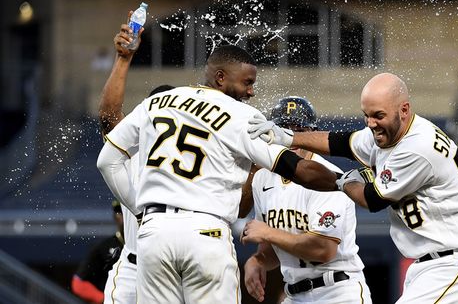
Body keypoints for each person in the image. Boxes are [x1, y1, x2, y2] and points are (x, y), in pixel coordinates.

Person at [96, 44, 338, 303]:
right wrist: (343, 181)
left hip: (154, 235)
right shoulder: (240, 115)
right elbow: (300, 169)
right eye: (247, 82)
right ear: (220, 77)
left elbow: (106, 161)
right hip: (205, 232)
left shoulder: (156, 103)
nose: (251, 91)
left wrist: (139, 210)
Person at [248, 72, 458, 303]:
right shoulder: (392, 132)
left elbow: (372, 199)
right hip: (433, 264)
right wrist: (288, 137)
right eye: (366, 115)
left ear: (404, 110)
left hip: (455, 263)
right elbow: (341, 142)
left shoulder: (416, 147)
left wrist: (342, 181)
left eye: (378, 115)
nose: (371, 123)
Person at [241, 97, 373, 304]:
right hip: (294, 294)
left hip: (337, 292)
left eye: (299, 129)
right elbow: (274, 249)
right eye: (283, 127)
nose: (290, 134)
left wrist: (267, 232)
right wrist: (258, 260)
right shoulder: (263, 178)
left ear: (311, 132)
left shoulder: (327, 177)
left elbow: (323, 249)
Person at [98, 12, 176, 304]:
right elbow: (108, 118)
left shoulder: (202, 149)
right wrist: (123, 60)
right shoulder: (135, 147)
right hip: (136, 265)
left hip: (179, 266)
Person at [72, 200, 124, 304]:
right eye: (118, 212)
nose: (122, 216)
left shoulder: (145, 243)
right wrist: (103, 299)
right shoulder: (103, 247)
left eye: (125, 211)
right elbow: (78, 283)